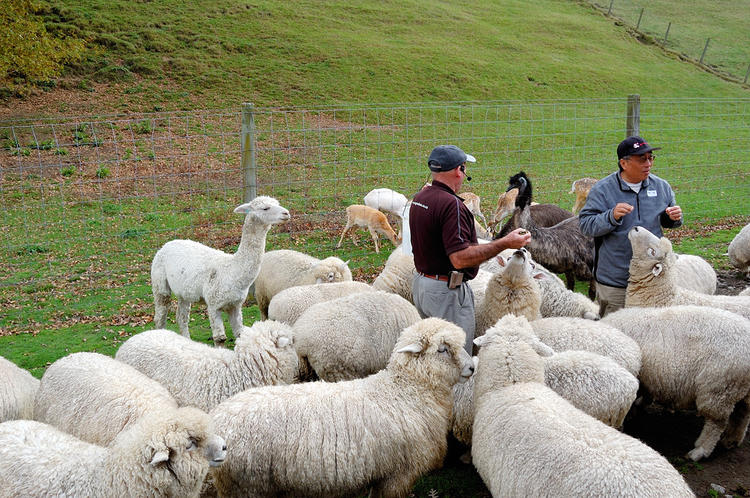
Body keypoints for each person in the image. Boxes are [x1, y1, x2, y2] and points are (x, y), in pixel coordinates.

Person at [409, 145, 531, 353]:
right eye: (464, 169)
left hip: (422, 286)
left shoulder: (421, 198)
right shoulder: (452, 206)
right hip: (445, 295)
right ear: (459, 170)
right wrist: (504, 243)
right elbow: (459, 259)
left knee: (430, 353)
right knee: (456, 358)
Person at [579, 136, 682, 317]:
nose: (648, 163)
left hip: (651, 279)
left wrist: (672, 218)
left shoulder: (661, 187)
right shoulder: (603, 190)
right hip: (616, 280)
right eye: (642, 159)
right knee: (613, 333)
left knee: (651, 328)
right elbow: (586, 226)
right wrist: (611, 216)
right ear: (624, 164)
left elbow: (669, 221)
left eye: (651, 158)